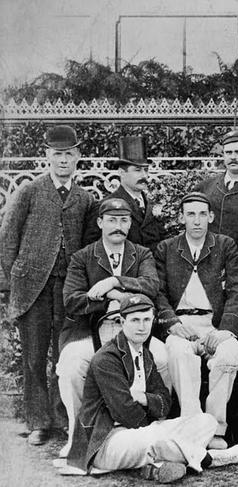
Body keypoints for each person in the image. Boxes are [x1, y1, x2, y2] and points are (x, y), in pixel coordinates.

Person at [55, 294, 238, 482]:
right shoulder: (106, 359)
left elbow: (164, 404)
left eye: (146, 320)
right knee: (154, 439)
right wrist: (155, 422)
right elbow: (126, 414)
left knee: (207, 421)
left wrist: (143, 398)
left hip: (142, 432)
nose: (141, 327)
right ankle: (211, 458)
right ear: (122, 323)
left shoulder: (146, 354)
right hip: (107, 440)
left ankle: (154, 465)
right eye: (135, 320)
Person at [0, 125, 94, 446]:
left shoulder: (85, 199)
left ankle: (63, 417)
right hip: (33, 287)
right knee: (34, 357)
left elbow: (87, 247)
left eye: (69, 154)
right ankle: (38, 421)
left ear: (78, 156)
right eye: (57, 154)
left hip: (67, 290)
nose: (63, 160)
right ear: (47, 156)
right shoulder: (29, 191)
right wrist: (11, 284)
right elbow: (8, 237)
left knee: (65, 355)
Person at [57, 197, 169, 458]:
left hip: (135, 332)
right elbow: (72, 300)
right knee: (72, 365)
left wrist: (113, 281)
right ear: (100, 222)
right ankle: (78, 436)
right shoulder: (83, 257)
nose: (118, 226)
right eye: (111, 220)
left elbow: (151, 286)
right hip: (91, 330)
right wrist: (111, 297)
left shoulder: (141, 253)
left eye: (123, 220)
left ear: (130, 223)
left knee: (163, 358)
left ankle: (154, 428)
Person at [153, 192, 238, 450]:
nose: (197, 221)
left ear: (211, 217)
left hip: (214, 324)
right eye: (191, 214)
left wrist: (226, 329)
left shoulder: (224, 245)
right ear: (181, 217)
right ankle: (191, 425)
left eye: (202, 214)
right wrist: (171, 322)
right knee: (178, 352)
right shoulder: (167, 248)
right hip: (181, 324)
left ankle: (216, 429)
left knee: (230, 355)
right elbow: (157, 292)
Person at [85, 136, 165, 249]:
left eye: (146, 170)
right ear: (122, 173)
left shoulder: (153, 205)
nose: (144, 176)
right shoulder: (104, 206)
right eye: (137, 170)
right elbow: (91, 248)